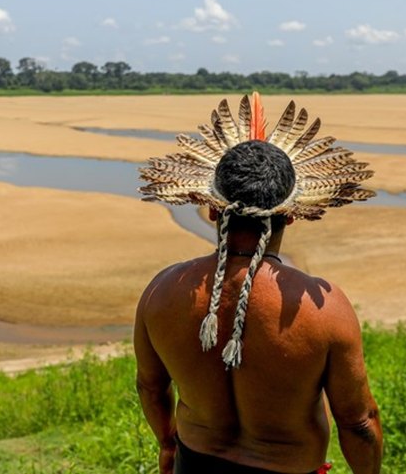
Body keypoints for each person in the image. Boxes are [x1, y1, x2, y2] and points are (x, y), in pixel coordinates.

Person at [135, 94, 383, 474]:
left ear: (212, 208)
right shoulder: (326, 310)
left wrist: (168, 445)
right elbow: (359, 421)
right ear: (293, 214)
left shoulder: (162, 291)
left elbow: (151, 388)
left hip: (195, 462)